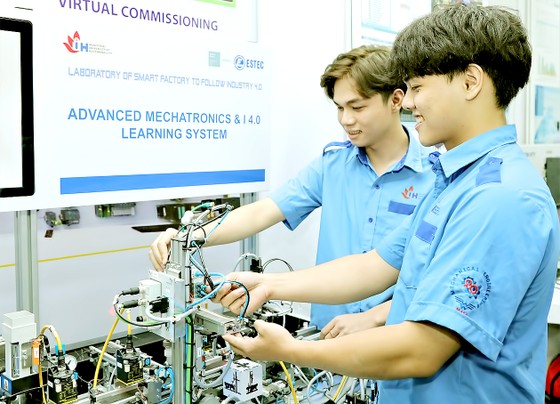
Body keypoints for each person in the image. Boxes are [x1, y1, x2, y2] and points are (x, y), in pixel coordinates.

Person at [212, 5, 560, 403]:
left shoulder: (501, 197)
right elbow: (375, 266)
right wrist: (269, 285)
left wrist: (290, 351)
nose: (408, 102)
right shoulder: (453, 180)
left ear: (470, 81)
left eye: (417, 87)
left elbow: (424, 347)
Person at [150, 45, 435, 337]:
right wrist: (190, 236)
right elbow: (263, 211)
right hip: (328, 337)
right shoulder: (332, 165)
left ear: (396, 100)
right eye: (339, 107)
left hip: (397, 337)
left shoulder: (436, 175)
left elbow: (435, 275)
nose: (346, 120)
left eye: (357, 107)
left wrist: (376, 317)